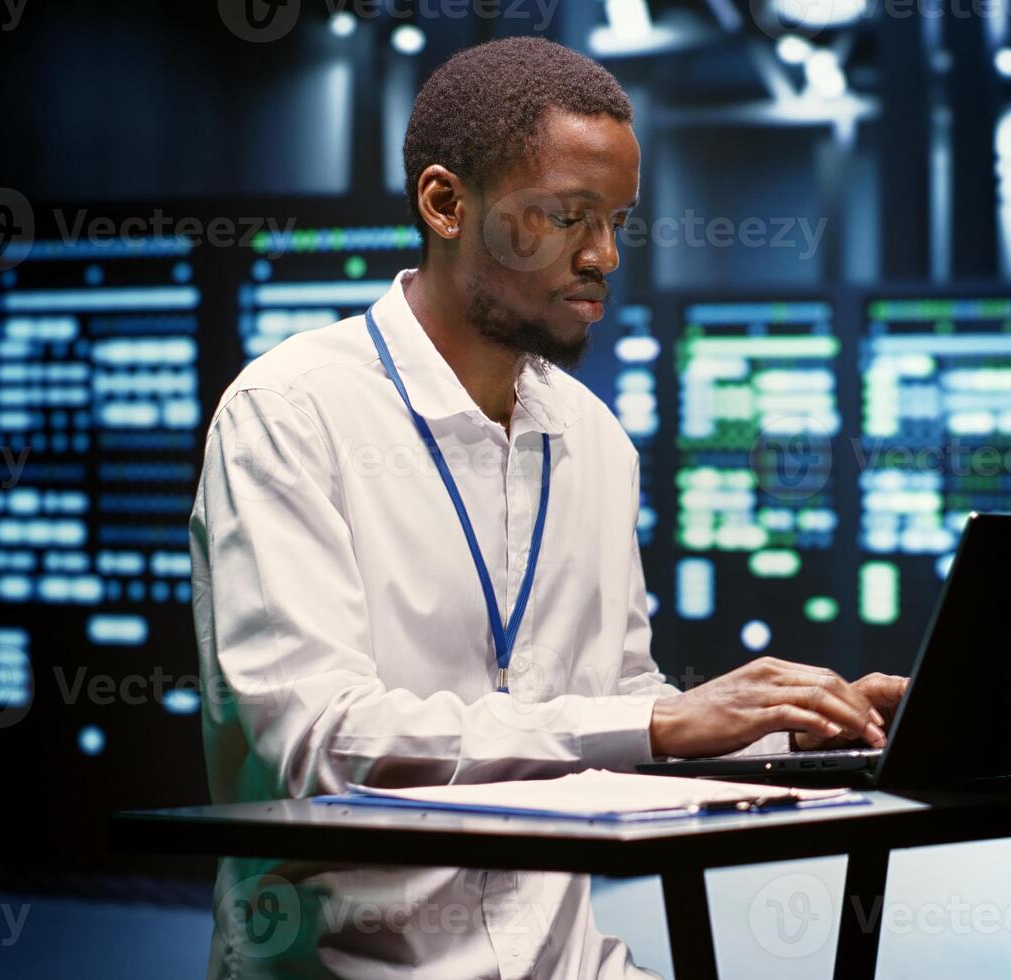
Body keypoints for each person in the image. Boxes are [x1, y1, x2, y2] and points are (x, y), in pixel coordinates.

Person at [189, 36, 907, 978]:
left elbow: (622, 704)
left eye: (617, 221)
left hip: (565, 962)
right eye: (568, 217)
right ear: (446, 204)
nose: (603, 255)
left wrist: (790, 727)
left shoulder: (593, 438)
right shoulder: (290, 414)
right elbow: (316, 742)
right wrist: (659, 724)